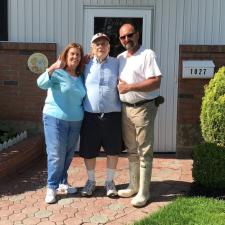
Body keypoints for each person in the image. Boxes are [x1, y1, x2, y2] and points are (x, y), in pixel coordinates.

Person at [117, 23, 162, 207]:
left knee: (144, 150)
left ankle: (144, 192)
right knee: (132, 149)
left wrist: (129, 87)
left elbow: (156, 82)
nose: (127, 39)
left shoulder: (147, 54)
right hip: (125, 109)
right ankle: (133, 186)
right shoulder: (120, 58)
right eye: (123, 37)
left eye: (130, 35)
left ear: (138, 34)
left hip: (143, 108)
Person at [37, 43, 86, 204]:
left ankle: (62, 183)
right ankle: (51, 187)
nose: (75, 57)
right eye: (72, 54)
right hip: (54, 119)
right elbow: (41, 83)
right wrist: (51, 68)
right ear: (65, 55)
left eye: (78, 55)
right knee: (56, 155)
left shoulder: (80, 76)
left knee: (68, 154)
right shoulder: (57, 72)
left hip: (75, 121)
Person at [79, 33, 122, 197]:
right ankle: (91, 181)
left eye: (104, 43)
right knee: (89, 151)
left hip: (112, 116)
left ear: (109, 47)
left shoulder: (117, 63)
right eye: (97, 44)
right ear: (92, 47)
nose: (100, 47)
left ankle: (110, 182)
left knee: (113, 151)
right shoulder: (85, 64)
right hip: (90, 116)